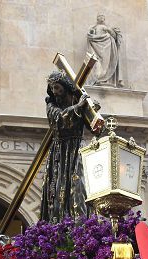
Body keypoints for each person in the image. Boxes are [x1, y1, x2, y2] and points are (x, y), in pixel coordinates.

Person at [39, 71, 90, 222]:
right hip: (60, 152)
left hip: (77, 150)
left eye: (57, 88)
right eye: (52, 88)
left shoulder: (77, 100)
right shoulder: (51, 105)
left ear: (65, 87)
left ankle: (81, 224)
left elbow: (95, 128)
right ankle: (59, 222)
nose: (55, 92)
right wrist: (78, 107)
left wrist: (91, 112)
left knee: (78, 187)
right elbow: (59, 121)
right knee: (59, 187)